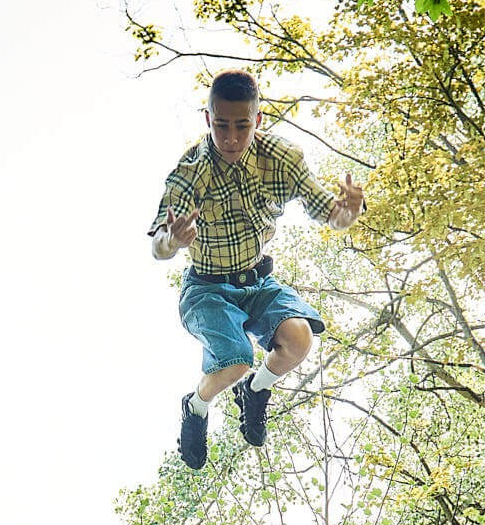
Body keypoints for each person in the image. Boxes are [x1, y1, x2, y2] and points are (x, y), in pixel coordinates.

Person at [150, 69, 365, 469]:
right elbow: (158, 247)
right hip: (207, 290)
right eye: (222, 126)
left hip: (258, 281)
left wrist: (348, 214)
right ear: (208, 120)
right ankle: (196, 406)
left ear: (258, 121)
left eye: (242, 126)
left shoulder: (282, 159)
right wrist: (174, 241)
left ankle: (256, 390)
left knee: (299, 339)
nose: (231, 138)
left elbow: (330, 215)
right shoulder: (190, 172)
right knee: (235, 359)